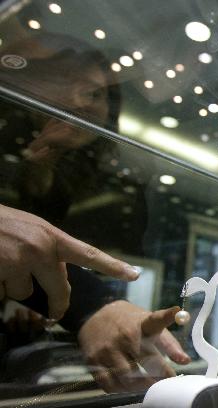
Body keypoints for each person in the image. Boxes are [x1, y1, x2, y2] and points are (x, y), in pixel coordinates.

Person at [0, 32, 190, 392]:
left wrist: (98, 309)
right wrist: (94, 306)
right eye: (64, 82)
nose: (81, 102)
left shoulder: (104, 180)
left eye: (98, 94)